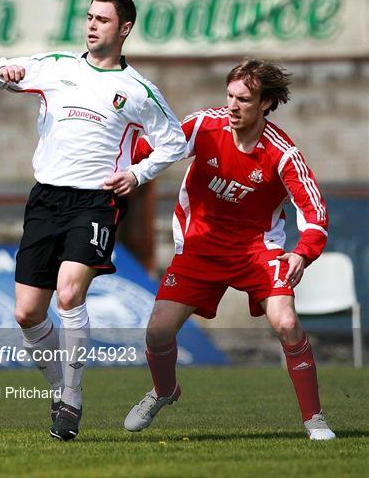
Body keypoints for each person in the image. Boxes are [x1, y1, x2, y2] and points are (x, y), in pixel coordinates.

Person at [0, 0, 186, 441]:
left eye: (103, 20)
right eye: (89, 17)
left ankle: (72, 398)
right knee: (26, 313)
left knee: (69, 293)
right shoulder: (56, 66)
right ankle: (61, 387)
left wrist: (138, 173)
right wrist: (6, 71)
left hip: (96, 202)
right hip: (45, 200)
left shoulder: (138, 90)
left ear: (125, 29)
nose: (92, 26)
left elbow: (175, 141)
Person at [124, 59, 336, 441]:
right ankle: (164, 390)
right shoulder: (205, 125)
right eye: (230, 96)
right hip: (200, 245)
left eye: (244, 99)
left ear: (266, 104)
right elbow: (154, 146)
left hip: (258, 250)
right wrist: (118, 158)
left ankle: (314, 419)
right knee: (157, 332)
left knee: (286, 323)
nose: (233, 106)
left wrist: (302, 252)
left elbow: (315, 212)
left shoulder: (282, 153)